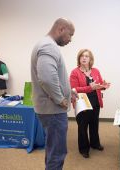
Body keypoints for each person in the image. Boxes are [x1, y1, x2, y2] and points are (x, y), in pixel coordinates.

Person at [31, 18, 76, 170]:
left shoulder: (45, 44)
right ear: (61, 29)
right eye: (70, 35)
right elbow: (47, 79)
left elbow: (54, 77)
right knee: (57, 153)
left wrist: (70, 92)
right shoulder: (48, 46)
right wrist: (60, 99)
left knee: (52, 149)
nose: (70, 40)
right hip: (54, 111)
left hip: (50, 110)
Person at [70, 49, 110, 158]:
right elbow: (74, 89)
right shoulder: (75, 72)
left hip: (95, 103)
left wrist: (104, 86)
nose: (84, 58)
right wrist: (90, 87)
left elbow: (99, 84)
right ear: (79, 58)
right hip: (82, 105)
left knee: (94, 125)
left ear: (90, 59)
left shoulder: (96, 71)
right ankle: (84, 149)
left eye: (87, 56)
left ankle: (95, 143)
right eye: (82, 56)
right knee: (82, 127)